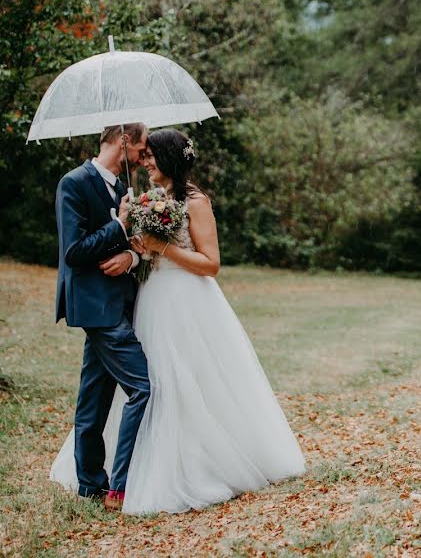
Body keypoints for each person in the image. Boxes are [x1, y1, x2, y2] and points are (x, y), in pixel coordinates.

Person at [50, 128, 305, 514]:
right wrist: (136, 255)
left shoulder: (195, 201)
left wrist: (160, 247)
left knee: (188, 381)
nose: (145, 160)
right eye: (144, 152)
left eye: (151, 155)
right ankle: (117, 472)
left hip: (187, 302)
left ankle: (197, 461)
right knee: (152, 381)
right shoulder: (148, 199)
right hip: (149, 301)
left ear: (168, 159)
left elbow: (211, 264)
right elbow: (138, 251)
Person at [53, 122, 151, 511]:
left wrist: (131, 254)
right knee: (144, 387)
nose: (144, 155)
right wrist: (119, 225)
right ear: (124, 140)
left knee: (93, 401)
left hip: (121, 301)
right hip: (98, 308)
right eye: (141, 147)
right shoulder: (74, 183)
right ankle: (119, 486)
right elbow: (74, 252)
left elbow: (129, 245)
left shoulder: (123, 187)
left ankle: (91, 485)